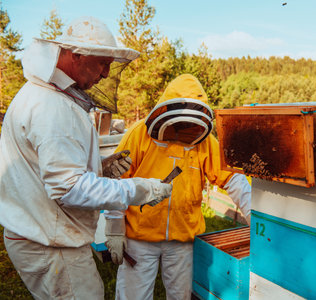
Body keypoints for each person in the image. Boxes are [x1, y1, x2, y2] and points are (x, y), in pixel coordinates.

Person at [0, 16, 172, 299]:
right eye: (102, 62)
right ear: (76, 55)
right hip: (52, 246)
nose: (106, 73)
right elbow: (68, 187)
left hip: (38, 234)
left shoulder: (39, 94)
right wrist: (140, 189)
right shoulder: (52, 107)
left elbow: (45, 170)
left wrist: (98, 169)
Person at [106, 74, 251, 300]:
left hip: (183, 240)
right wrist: (115, 229)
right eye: (180, 124)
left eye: (189, 125)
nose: (184, 130)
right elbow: (116, 181)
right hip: (139, 236)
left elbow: (233, 179)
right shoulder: (138, 133)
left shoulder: (205, 143)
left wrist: (254, 215)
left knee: (181, 296)